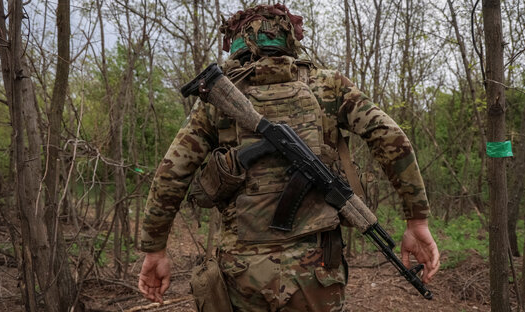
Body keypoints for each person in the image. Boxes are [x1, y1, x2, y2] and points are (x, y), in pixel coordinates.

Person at [138, 4, 440, 311]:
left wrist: (155, 249)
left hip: (242, 273)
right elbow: (391, 138)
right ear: (290, 38)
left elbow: (172, 172)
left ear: (237, 43)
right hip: (317, 271)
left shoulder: (212, 107)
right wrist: (417, 220)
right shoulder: (326, 86)